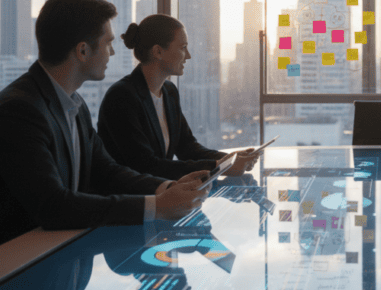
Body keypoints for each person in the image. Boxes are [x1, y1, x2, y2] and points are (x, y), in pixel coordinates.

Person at [0, 0, 208, 246]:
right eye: (108, 43)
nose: (112, 51)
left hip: (51, 249)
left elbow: (106, 172)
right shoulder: (18, 112)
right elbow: (53, 206)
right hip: (5, 263)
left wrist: (166, 188)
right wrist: (156, 207)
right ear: (83, 50)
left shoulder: (73, 104)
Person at [97, 14, 260, 181]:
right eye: (183, 47)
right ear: (158, 51)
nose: (188, 55)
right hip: (133, 200)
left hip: (160, 195)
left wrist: (230, 158)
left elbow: (188, 148)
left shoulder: (169, 91)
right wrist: (219, 166)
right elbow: (146, 165)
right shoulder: (121, 97)